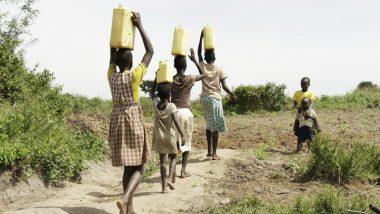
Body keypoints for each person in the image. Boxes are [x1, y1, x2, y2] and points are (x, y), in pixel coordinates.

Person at [107, 12, 154, 214]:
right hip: (132, 119)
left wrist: (116, 33)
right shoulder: (135, 75)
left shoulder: (111, 75)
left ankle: (129, 209)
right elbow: (150, 51)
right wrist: (139, 25)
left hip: (117, 120)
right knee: (140, 166)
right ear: (131, 63)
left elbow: (111, 55)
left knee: (128, 167)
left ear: (116, 62)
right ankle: (126, 199)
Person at [197, 30, 236, 160]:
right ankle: (214, 153)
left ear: (205, 58)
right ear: (215, 58)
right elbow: (224, 86)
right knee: (216, 128)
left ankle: (209, 151)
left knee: (209, 125)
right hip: (215, 99)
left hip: (204, 99)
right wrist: (232, 94)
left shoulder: (202, 66)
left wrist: (201, 37)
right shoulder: (219, 69)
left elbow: (198, 54)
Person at [170, 48, 205, 178]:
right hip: (185, 112)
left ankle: (171, 170)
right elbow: (204, 75)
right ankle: (183, 171)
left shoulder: (170, 79)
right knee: (186, 141)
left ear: (174, 65)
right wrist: (195, 59)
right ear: (185, 65)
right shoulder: (190, 78)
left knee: (173, 142)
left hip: (173, 112)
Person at [151, 83, 185, 193]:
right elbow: (176, 122)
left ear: (158, 94)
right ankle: (170, 180)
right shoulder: (171, 106)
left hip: (159, 137)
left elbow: (152, 93)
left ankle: (163, 188)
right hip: (170, 136)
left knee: (162, 163)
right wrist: (183, 135)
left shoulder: (155, 104)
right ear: (169, 95)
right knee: (174, 157)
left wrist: (156, 80)